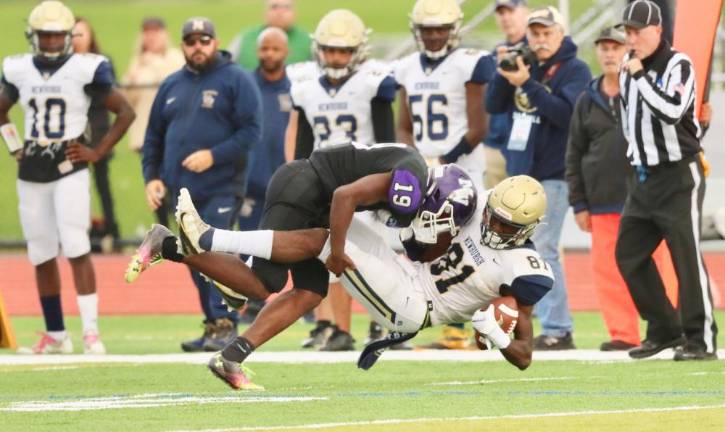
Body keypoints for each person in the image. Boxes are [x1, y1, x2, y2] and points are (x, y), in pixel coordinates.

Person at [190, 173, 552, 388]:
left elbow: (523, 356)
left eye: (508, 226)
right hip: (406, 270)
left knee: (328, 241)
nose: (495, 227)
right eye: (494, 217)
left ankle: (212, 239)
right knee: (327, 222)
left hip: (413, 306)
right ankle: (184, 257)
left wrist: (495, 333)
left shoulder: (524, 268)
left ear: (529, 229)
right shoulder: (478, 202)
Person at [127, 142, 437, 389]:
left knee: (311, 291)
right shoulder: (407, 176)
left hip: (317, 199)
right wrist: (338, 252)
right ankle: (168, 244)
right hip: (304, 189)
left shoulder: (414, 175)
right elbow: (345, 196)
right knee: (262, 284)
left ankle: (231, 356)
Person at [0, 1, 134, 354]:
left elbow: (125, 111)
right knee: (41, 252)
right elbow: (1, 111)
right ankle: (56, 333)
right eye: (45, 36)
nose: (51, 42)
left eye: (57, 35)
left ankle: (91, 331)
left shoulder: (85, 68)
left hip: (68, 166)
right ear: (34, 36)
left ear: (68, 36)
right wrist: (15, 147)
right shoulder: (19, 69)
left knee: (76, 246)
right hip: (32, 169)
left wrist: (97, 151)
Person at [141, 17, 262, 353]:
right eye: (191, 41)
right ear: (182, 45)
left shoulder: (236, 79)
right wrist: (151, 177)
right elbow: (154, 138)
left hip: (223, 184)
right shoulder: (170, 85)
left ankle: (227, 323)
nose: (198, 47)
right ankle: (212, 323)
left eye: (204, 40)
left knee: (212, 251)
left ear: (215, 41)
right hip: (182, 191)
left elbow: (252, 131)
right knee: (193, 257)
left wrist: (214, 155)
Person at [286, 9, 398, 351]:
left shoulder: (372, 82)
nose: (336, 58)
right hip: (323, 183)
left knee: (376, 257)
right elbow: (303, 147)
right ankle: (339, 329)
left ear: (357, 52)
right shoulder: (304, 85)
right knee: (331, 259)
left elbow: (387, 141)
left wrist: (384, 189)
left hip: (363, 183)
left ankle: (382, 325)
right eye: (330, 50)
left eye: (343, 51)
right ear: (319, 49)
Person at [615, 0, 718, 361]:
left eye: (637, 31)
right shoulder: (628, 70)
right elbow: (629, 122)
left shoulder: (679, 64)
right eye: (627, 32)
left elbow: (672, 111)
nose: (631, 38)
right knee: (628, 254)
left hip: (678, 175)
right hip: (644, 177)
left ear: (657, 30)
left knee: (684, 257)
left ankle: (700, 339)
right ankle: (664, 328)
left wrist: (641, 75)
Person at [565, 26, 678, 351]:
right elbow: (574, 153)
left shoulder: (643, 89)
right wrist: (579, 203)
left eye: (615, 47)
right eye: (603, 48)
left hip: (644, 197)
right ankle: (623, 333)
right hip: (601, 202)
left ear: (627, 50)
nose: (610, 53)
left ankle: (670, 326)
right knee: (608, 270)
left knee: (658, 263)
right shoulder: (587, 99)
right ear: (598, 54)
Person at [486, 6, 591, 350]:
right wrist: (504, 74)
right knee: (519, 252)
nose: (541, 40)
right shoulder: (524, 62)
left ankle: (559, 328)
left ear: (561, 35)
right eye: (535, 34)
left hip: (554, 173)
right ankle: (532, 324)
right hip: (520, 175)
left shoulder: (575, 69)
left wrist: (527, 84)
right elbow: (492, 105)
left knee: (544, 249)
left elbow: (566, 114)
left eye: (547, 34)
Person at [395, 0, 494, 350]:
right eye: (428, 29)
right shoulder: (407, 68)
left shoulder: (469, 63)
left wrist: (442, 158)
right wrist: (414, 158)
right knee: (421, 246)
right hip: (425, 171)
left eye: (440, 29)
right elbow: (404, 126)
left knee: (469, 246)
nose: (434, 36)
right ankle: (422, 319)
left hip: (462, 169)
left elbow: (479, 127)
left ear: (453, 30)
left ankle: (476, 326)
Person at [236, 27, 292, 325]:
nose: (269, 54)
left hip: (286, 182)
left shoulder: (297, 86)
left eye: (275, 49)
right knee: (249, 242)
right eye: (264, 49)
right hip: (250, 180)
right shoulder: (245, 83)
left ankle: (300, 302)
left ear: (286, 52)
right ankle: (254, 300)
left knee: (290, 243)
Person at [122, 17, 185, 227]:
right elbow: (127, 101)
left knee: (177, 185)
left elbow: (176, 82)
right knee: (154, 183)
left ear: (165, 34)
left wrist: (154, 63)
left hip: (175, 131)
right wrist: (130, 80)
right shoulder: (138, 61)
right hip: (147, 133)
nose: (151, 37)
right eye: (147, 32)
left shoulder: (176, 56)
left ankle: (185, 231)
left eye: (156, 31)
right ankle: (163, 233)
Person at [72, 17, 120, 251]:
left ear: (91, 36)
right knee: (76, 187)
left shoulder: (101, 63)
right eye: (73, 34)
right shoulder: (64, 65)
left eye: (82, 33)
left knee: (103, 185)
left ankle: (114, 232)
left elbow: (109, 94)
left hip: (99, 133)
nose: (77, 39)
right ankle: (79, 233)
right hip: (73, 136)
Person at [484, 0, 529, 190]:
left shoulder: (536, 50)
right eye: (501, 13)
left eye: (510, 11)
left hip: (524, 145)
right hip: (494, 144)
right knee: (492, 212)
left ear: (525, 11)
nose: (506, 17)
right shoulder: (496, 53)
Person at [229, 0, 312, 70]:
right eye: (274, 7)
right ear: (265, 12)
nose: (280, 12)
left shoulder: (308, 41)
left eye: (286, 7)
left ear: (294, 13)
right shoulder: (245, 38)